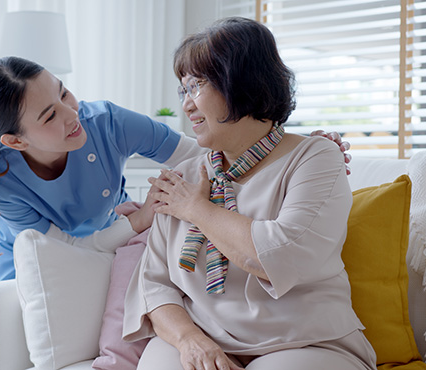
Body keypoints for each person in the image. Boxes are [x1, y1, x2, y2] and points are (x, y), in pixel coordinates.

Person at [0, 56, 351, 284]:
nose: (73, 113)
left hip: (109, 236)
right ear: (17, 141)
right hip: (31, 263)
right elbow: (63, 252)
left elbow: (205, 151)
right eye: (50, 114)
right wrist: (140, 219)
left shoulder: (107, 122)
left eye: (64, 92)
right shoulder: (2, 179)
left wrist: (292, 147)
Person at [122, 17, 376, 370]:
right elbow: (153, 284)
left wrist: (195, 209)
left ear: (241, 82)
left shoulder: (315, 158)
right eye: (183, 90)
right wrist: (189, 340)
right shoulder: (183, 178)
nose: (186, 105)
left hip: (304, 342)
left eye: (196, 86)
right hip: (203, 338)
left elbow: (280, 255)